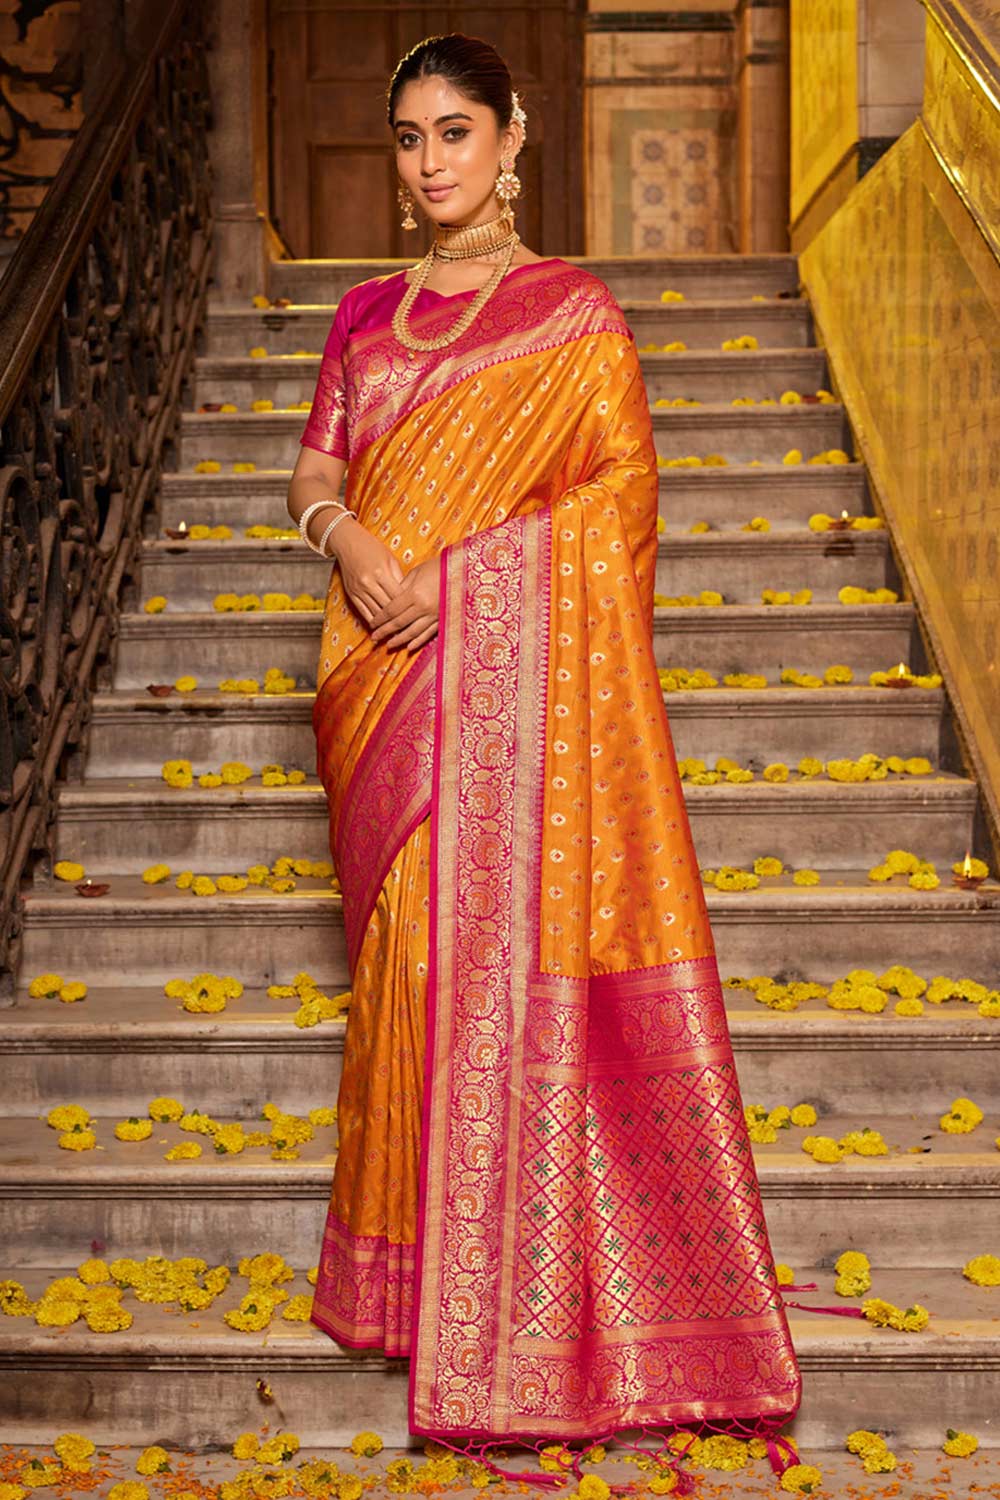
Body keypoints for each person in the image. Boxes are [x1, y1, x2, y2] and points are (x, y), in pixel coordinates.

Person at [285, 31, 802, 1489]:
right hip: (374, 672)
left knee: (484, 970)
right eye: (407, 137)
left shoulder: (574, 316)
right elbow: (315, 466)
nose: (429, 160)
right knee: (405, 968)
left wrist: (473, 586)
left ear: (517, 137)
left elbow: (619, 507)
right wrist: (352, 540)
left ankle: (510, 1305)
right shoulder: (365, 316)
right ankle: (406, 1286)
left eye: (455, 131)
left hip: (498, 682)